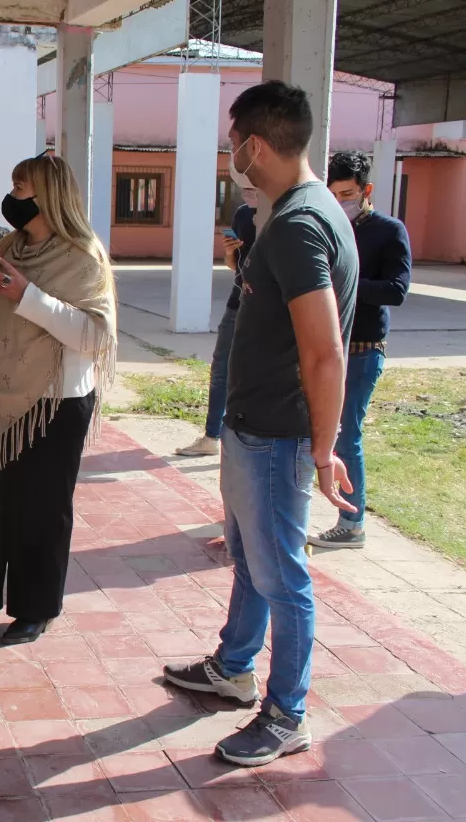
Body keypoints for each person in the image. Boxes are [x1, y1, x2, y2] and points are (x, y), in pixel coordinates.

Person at [162, 81, 358, 767]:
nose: (230, 153)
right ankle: (234, 666)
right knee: (249, 559)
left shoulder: (302, 224)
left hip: (277, 436)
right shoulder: (299, 211)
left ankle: (286, 712)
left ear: (257, 144)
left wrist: (325, 446)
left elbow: (325, 348)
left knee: (282, 575)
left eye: (233, 140)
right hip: (255, 429)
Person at [0, 154, 118, 645]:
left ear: (49, 195)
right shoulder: (8, 247)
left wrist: (30, 296)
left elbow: (95, 335)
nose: (13, 196)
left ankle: (36, 608)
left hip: (55, 402)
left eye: (22, 187)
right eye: (13, 185)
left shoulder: (83, 255)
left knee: (42, 510)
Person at [309, 150, 411, 550]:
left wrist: (345, 285)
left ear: (366, 190)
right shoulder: (329, 225)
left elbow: (397, 290)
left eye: (348, 194)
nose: (341, 203)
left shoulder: (388, 230)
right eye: (333, 194)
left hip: (364, 349)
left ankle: (352, 523)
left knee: (346, 436)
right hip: (329, 345)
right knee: (315, 431)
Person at [176, 189, 259, 457]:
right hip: (237, 304)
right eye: (245, 190)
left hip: (269, 311)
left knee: (257, 373)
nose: (249, 195)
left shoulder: (283, 214)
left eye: (253, 190)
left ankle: (250, 439)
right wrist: (229, 252)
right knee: (221, 369)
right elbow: (233, 266)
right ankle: (212, 436)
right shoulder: (244, 214)